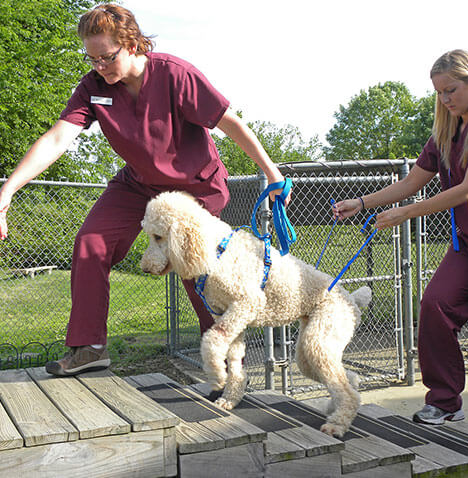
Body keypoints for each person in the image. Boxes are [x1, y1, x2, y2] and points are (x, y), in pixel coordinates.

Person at [0, 4, 287, 376]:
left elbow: (228, 122)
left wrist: (272, 172)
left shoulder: (174, 74)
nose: (99, 67)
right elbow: (58, 138)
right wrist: (7, 191)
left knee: (190, 262)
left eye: (106, 57)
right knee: (90, 241)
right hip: (139, 184)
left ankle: (223, 355)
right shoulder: (93, 87)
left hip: (194, 186)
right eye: (91, 59)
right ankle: (91, 348)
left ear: (132, 44)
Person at [333, 49, 468, 425]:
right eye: (440, 92)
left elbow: (465, 191)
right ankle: (444, 402)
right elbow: (412, 182)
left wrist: (405, 213)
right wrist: (361, 202)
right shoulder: (445, 132)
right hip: (467, 247)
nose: (446, 99)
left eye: (452, 89)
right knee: (435, 305)